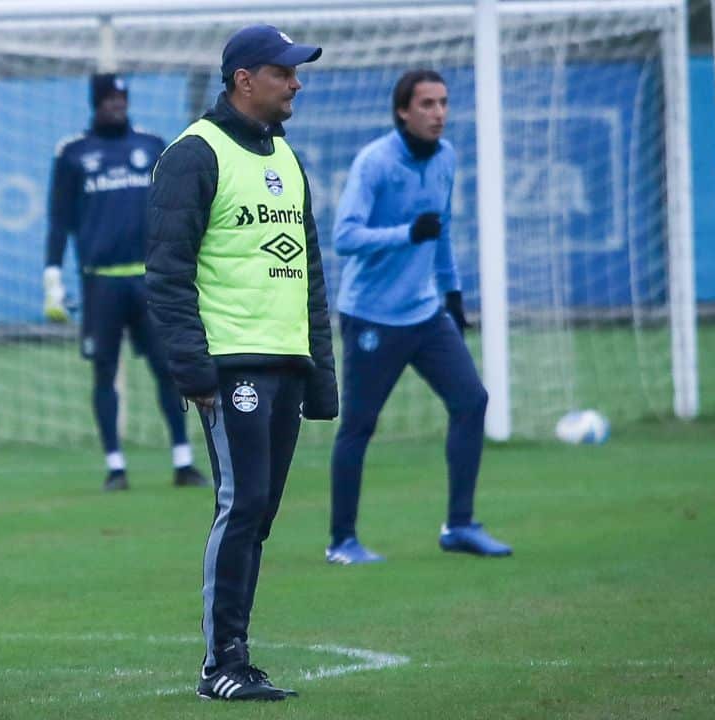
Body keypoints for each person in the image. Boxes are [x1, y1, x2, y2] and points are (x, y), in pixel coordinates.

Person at [146, 24, 337, 702]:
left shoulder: (286, 156)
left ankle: (236, 655)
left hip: (286, 365)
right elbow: (165, 275)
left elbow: (310, 273)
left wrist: (321, 374)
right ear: (243, 80)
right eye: (284, 71)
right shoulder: (194, 154)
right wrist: (192, 371)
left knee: (260, 512)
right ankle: (221, 663)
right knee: (242, 503)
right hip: (231, 368)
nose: (296, 82)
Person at [326, 69, 512, 565]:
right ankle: (342, 541)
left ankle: (460, 525)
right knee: (359, 427)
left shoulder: (446, 158)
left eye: (444, 103)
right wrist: (406, 233)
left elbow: (441, 230)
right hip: (371, 316)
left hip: (426, 312)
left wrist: (452, 294)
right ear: (403, 112)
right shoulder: (375, 163)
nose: (439, 113)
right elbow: (344, 237)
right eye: (427, 104)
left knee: (472, 401)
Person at [43, 73, 207, 492]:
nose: (117, 105)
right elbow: (59, 220)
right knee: (104, 373)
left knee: (168, 371)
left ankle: (183, 461)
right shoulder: (73, 153)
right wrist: (53, 276)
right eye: (109, 98)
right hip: (100, 284)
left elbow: (175, 210)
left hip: (150, 281)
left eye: (122, 98)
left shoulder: (152, 146)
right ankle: (115, 466)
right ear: (95, 103)